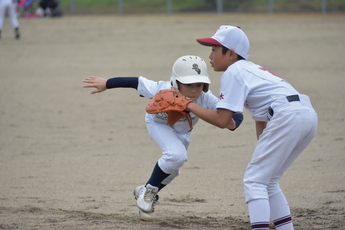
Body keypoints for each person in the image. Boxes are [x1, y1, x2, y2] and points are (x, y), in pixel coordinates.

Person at [183, 26, 318, 229]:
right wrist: (263, 152)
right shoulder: (249, 70)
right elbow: (260, 119)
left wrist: (185, 104)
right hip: (306, 115)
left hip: (287, 116)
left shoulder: (234, 72)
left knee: (254, 181)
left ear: (230, 54)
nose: (210, 55)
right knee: (268, 180)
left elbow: (222, 120)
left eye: (214, 49)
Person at [82, 55, 244, 221]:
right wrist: (107, 83)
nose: (194, 89)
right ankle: (149, 192)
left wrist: (232, 124)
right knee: (176, 155)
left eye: (199, 84)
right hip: (159, 124)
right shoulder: (163, 89)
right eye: (188, 84)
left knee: (173, 170)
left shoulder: (205, 98)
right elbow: (136, 82)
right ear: (175, 82)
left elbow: (234, 115)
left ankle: (144, 191)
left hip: (183, 131)